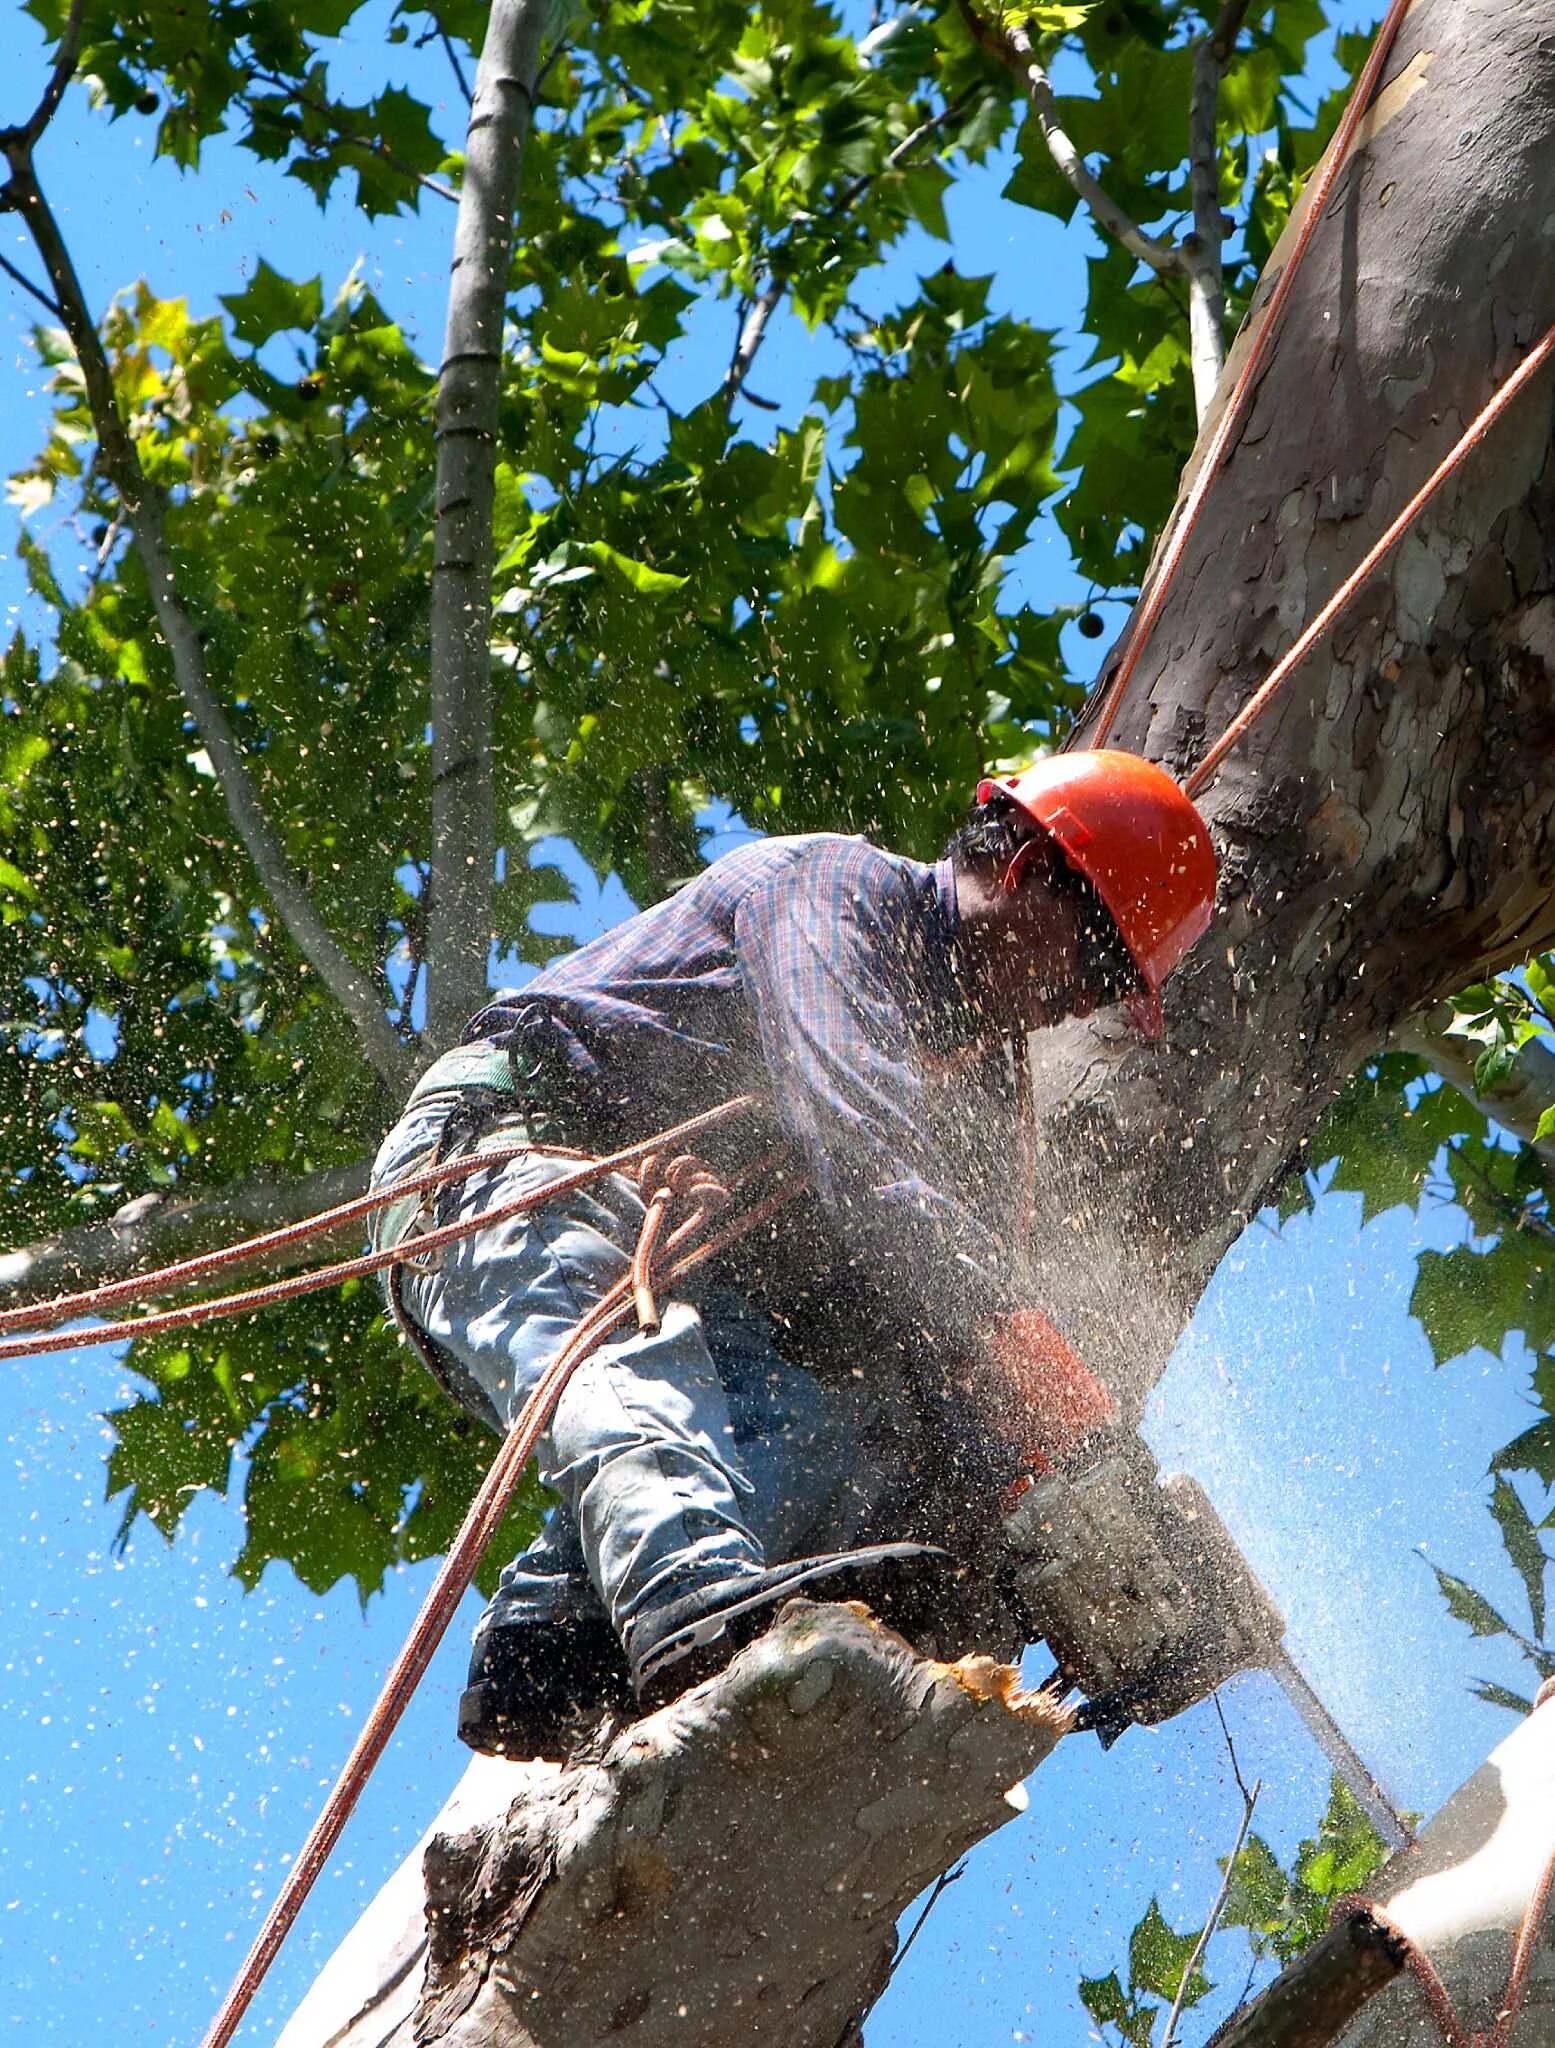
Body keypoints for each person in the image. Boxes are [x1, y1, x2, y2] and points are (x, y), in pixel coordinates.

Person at [369, 751, 1217, 1759]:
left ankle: (555, 1642)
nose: (1086, 1003)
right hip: (505, 1155)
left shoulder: (984, 1078)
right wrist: (1041, 1373)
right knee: (642, 1366)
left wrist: (1089, 1516)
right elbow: (870, 1155)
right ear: (1031, 873)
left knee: (819, 1421)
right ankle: (693, 1609)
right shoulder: (836, 891)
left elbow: (949, 1340)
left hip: (676, 1266)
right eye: (1100, 964)